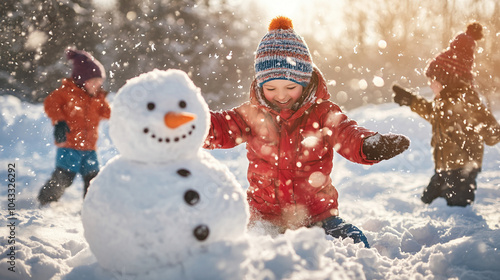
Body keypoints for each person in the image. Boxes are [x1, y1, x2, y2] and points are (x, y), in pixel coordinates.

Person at [203, 16, 410, 248]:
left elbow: (346, 132)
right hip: (266, 217)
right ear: (260, 85)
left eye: (290, 87)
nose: (281, 96)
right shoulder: (251, 115)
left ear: (305, 81)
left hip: (317, 216)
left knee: (354, 242)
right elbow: (219, 127)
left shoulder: (322, 113)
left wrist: (367, 145)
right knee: (251, 249)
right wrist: (190, 123)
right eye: (271, 88)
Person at [393, 22, 500, 207]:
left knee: (455, 211)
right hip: (444, 168)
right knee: (427, 204)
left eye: (433, 80)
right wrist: (411, 101)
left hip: (463, 171)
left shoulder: (467, 101)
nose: (430, 84)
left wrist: (483, 129)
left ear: (446, 80)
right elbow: (433, 114)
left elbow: (493, 134)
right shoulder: (443, 100)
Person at [38, 48, 110, 205]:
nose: (97, 85)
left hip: (90, 148)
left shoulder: (97, 98)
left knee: (93, 178)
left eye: (100, 82)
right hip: (69, 144)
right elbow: (50, 104)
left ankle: (92, 206)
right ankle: (46, 200)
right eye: (94, 81)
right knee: (65, 177)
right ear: (81, 79)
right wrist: (59, 120)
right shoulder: (67, 92)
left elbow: (108, 113)